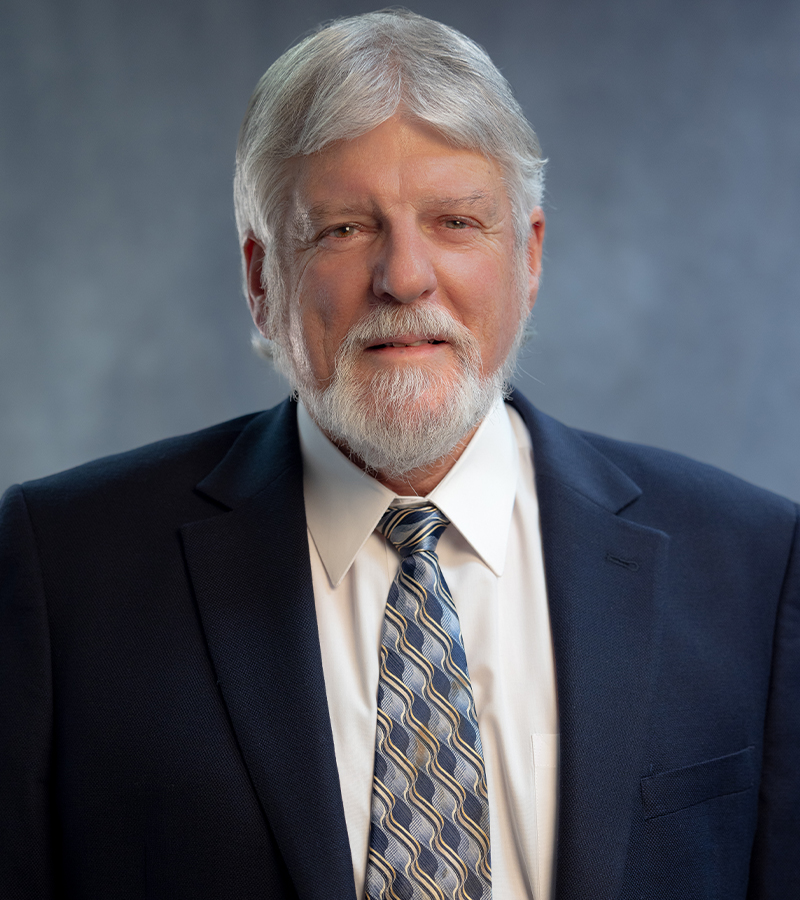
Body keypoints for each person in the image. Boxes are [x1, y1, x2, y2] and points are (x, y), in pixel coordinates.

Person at [1, 9, 798, 900]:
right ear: (261, 279)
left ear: (529, 258)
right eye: (344, 229)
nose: (406, 276)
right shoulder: (59, 569)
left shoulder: (755, 571)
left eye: (456, 221)